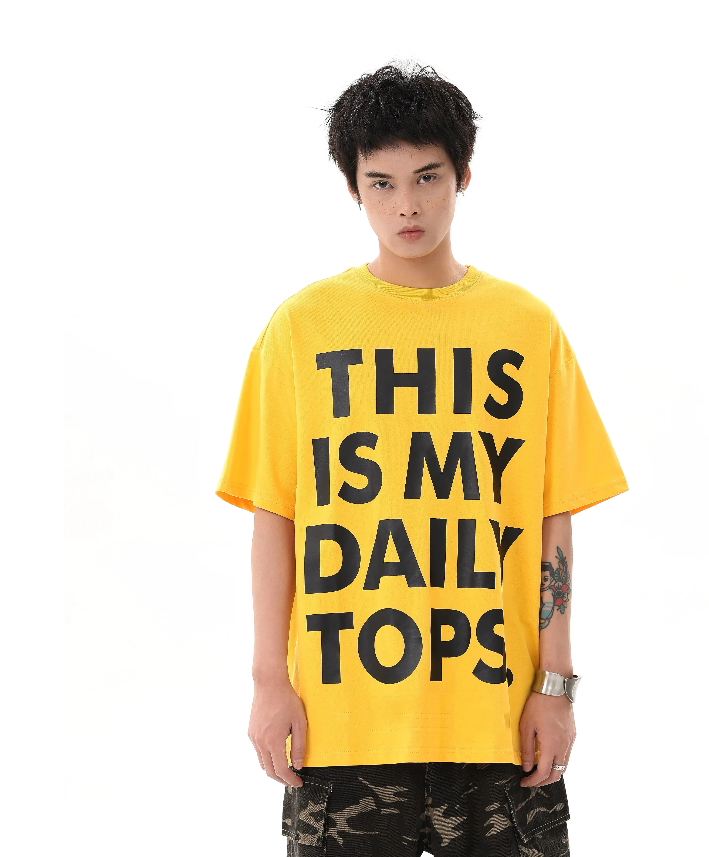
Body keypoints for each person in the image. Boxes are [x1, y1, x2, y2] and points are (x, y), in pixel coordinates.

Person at [215, 62, 628, 857]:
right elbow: (276, 515)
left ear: (463, 175)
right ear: (353, 188)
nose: (405, 205)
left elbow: (553, 518)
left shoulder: (526, 326)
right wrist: (269, 681)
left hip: (498, 720)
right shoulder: (301, 328)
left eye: (427, 177)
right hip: (342, 722)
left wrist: (556, 687)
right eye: (381, 183)